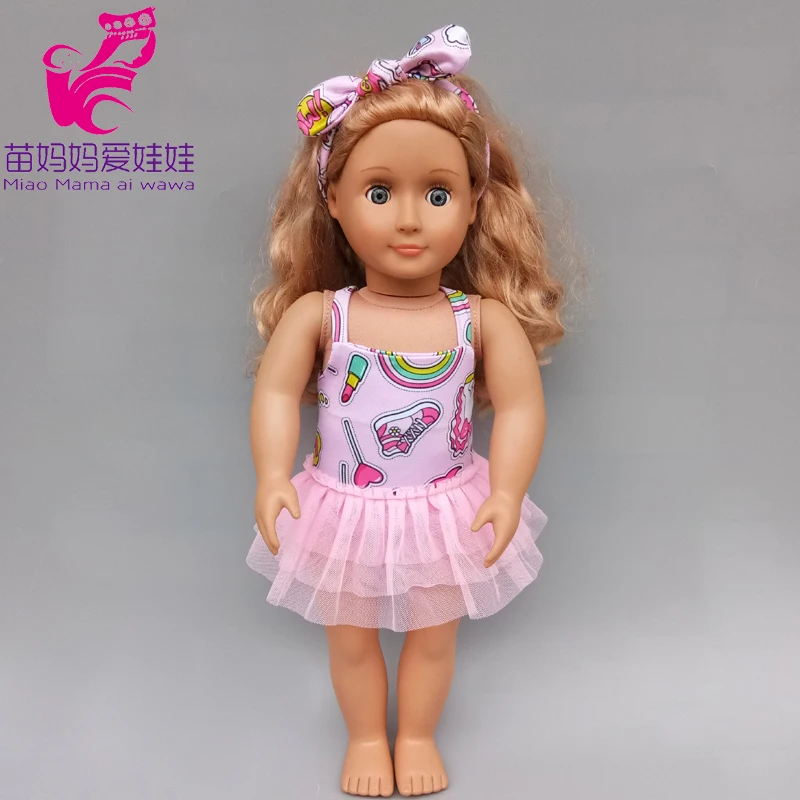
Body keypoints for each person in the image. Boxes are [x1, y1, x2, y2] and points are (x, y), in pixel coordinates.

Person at [246, 24, 567, 797]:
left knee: (432, 638)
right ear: (334, 200)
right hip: (342, 506)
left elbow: (521, 408)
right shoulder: (322, 315)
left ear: (474, 205)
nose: (410, 219)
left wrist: (507, 490)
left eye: (438, 194)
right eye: (380, 193)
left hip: (442, 507)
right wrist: (272, 475)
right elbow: (276, 394)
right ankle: (366, 737)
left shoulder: (479, 319)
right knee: (351, 639)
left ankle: (415, 734)